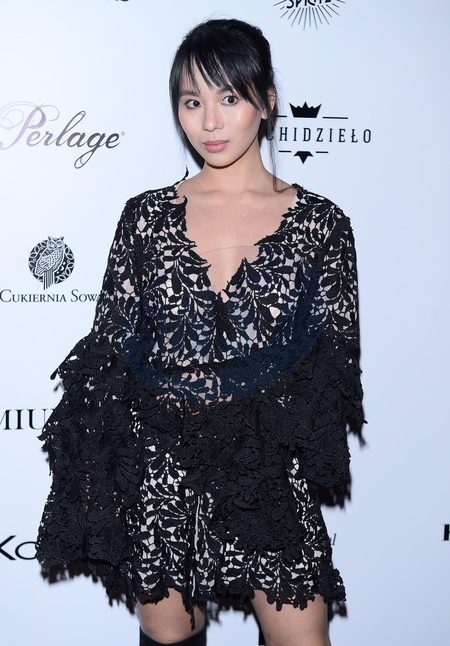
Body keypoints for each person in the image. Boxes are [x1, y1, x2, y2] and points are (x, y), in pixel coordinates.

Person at [36, 18, 364, 646]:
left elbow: (331, 368)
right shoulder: (146, 218)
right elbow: (109, 358)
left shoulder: (323, 225)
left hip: (267, 479)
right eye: (192, 102)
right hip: (161, 478)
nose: (209, 121)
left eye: (229, 97)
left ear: (267, 101)